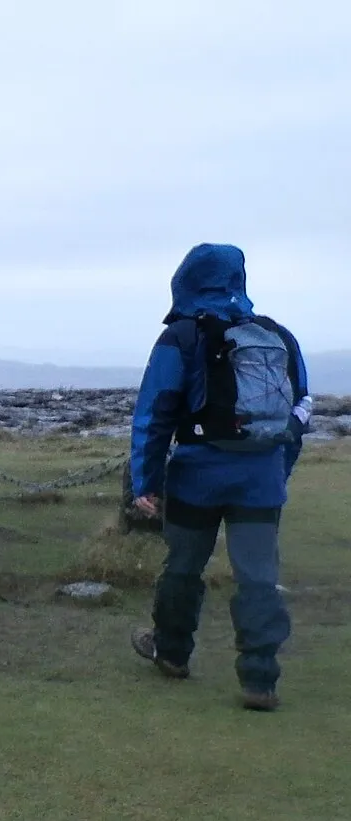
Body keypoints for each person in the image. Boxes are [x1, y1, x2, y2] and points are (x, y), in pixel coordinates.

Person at [128, 243, 312, 711]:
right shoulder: (277, 336)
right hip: (261, 480)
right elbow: (296, 415)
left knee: (183, 567)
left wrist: (145, 481)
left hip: (197, 477)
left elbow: (154, 413)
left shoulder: (182, 336)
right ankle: (260, 680)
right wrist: (278, 475)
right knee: (258, 578)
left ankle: (170, 652)